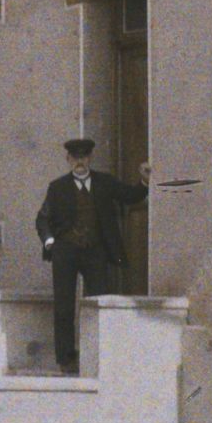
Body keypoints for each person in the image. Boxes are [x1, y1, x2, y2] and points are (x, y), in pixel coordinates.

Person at [34, 137, 150, 375]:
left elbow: (131, 196)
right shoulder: (57, 187)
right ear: (68, 159)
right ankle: (66, 360)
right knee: (64, 306)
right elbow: (42, 219)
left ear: (90, 158)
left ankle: (98, 356)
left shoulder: (104, 182)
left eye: (84, 157)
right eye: (75, 158)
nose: (80, 162)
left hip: (95, 251)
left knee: (99, 302)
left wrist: (145, 181)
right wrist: (50, 242)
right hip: (65, 251)